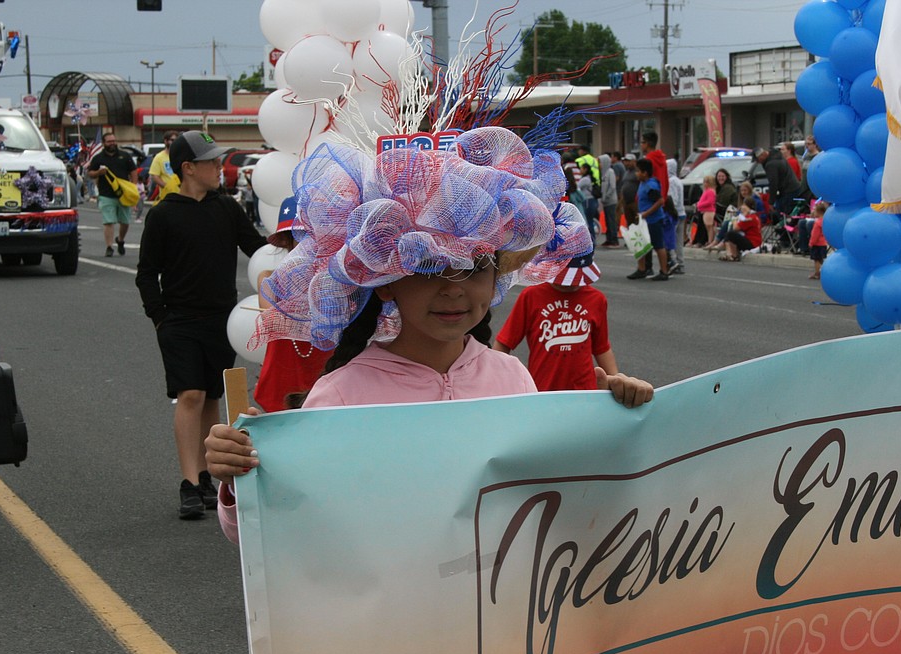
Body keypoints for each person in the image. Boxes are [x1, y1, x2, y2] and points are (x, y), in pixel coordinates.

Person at [203, 127, 655, 543]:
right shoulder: (340, 397)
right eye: (427, 265)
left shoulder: (512, 378)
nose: (453, 288)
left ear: (498, 274)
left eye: (475, 266)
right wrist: (237, 477)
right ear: (385, 279)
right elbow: (275, 530)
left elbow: (553, 494)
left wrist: (619, 422)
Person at [136, 130, 267, 520]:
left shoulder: (226, 208)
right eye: (211, 162)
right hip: (178, 321)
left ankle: (208, 475)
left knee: (212, 394)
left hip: (221, 320)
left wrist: (288, 244)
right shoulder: (162, 214)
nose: (218, 168)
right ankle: (189, 483)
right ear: (188, 169)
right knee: (190, 394)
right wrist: (159, 317)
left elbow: (255, 247)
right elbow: (146, 274)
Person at [252, 197, 333, 413]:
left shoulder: (336, 282)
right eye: (299, 237)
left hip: (327, 378)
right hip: (282, 381)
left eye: (311, 236)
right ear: (287, 241)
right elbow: (270, 319)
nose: (307, 244)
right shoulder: (269, 280)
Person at [494, 254, 617, 390]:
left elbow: (602, 347)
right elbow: (505, 342)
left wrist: (617, 381)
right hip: (543, 389)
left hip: (584, 390)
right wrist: (495, 379)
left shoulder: (597, 299)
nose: (567, 285)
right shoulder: (531, 296)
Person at [87, 131, 138, 257]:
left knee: (125, 222)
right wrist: (99, 172)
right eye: (109, 141)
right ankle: (109, 246)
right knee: (108, 221)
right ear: (104, 143)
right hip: (106, 194)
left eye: (114, 141)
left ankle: (120, 240)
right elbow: (90, 173)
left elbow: (133, 171)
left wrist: (133, 186)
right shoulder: (98, 158)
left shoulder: (125, 156)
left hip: (123, 194)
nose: (112, 143)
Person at [633, 158, 673, 281]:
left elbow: (660, 201)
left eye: (638, 171)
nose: (636, 173)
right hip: (644, 220)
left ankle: (664, 271)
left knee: (658, 245)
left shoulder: (651, 185)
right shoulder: (643, 183)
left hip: (653, 220)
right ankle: (641, 269)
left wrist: (646, 213)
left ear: (645, 173)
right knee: (639, 244)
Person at [754, 146, 803, 216]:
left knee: (784, 214)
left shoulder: (771, 164)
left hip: (787, 191)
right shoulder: (777, 157)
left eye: (758, 159)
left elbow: (773, 184)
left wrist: (771, 202)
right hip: (793, 188)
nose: (758, 162)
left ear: (763, 155)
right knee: (789, 213)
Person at [704, 168, 738, 250]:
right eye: (719, 176)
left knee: (705, 215)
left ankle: (708, 240)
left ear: (727, 177)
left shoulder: (728, 188)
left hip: (727, 211)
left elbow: (722, 203)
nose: (720, 178)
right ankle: (707, 240)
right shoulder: (720, 188)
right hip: (722, 210)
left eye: (723, 176)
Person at [721, 196, 763, 262]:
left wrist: (734, 219)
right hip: (753, 241)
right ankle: (729, 253)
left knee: (731, 234)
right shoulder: (754, 216)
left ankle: (733, 255)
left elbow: (736, 228)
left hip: (752, 243)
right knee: (729, 234)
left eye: (743, 205)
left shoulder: (750, 218)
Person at [149, 130, 180, 203]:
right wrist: (167, 187)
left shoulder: (180, 155)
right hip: (167, 196)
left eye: (176, 140)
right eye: (172, 140)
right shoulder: (159, 157)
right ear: (166, 141)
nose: (174, 142)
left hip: (182, 194)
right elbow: (155, 176)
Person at [667, 159, 685, 272]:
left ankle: (673, 261)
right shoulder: (678, 180)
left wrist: (670, 211)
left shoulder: (671, 182)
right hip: (681, 213)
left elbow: (673, 199)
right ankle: (680, 262)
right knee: (679, 240)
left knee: (671, 239)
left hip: (674, 213)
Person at [640, 131, 669, 200]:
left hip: (649, 198)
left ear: (647, 144)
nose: (641, 145)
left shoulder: (648, 160)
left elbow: (644, 179)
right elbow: (666, 180)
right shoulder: (662, 159)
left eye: (642, 142)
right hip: (661, 197)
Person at [598, 153, 619, 247]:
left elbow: (612, 186)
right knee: (607, 220)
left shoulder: (610, 172)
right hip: (605, 201)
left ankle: (614, 239)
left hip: (611, 201)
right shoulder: (602, 173)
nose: (599, 164)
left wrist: (606, 196)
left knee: (611, 220)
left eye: (601, 162)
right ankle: (609, 238)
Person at [807, 200, 829, 279]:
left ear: (818, 212)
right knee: (821, 259)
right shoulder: (826, 222)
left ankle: (817, 273)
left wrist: (811, 243)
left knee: (816, 259)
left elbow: (814, 235)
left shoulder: (817, 223)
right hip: (823, 243)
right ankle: (822, 271)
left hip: (817, 244)